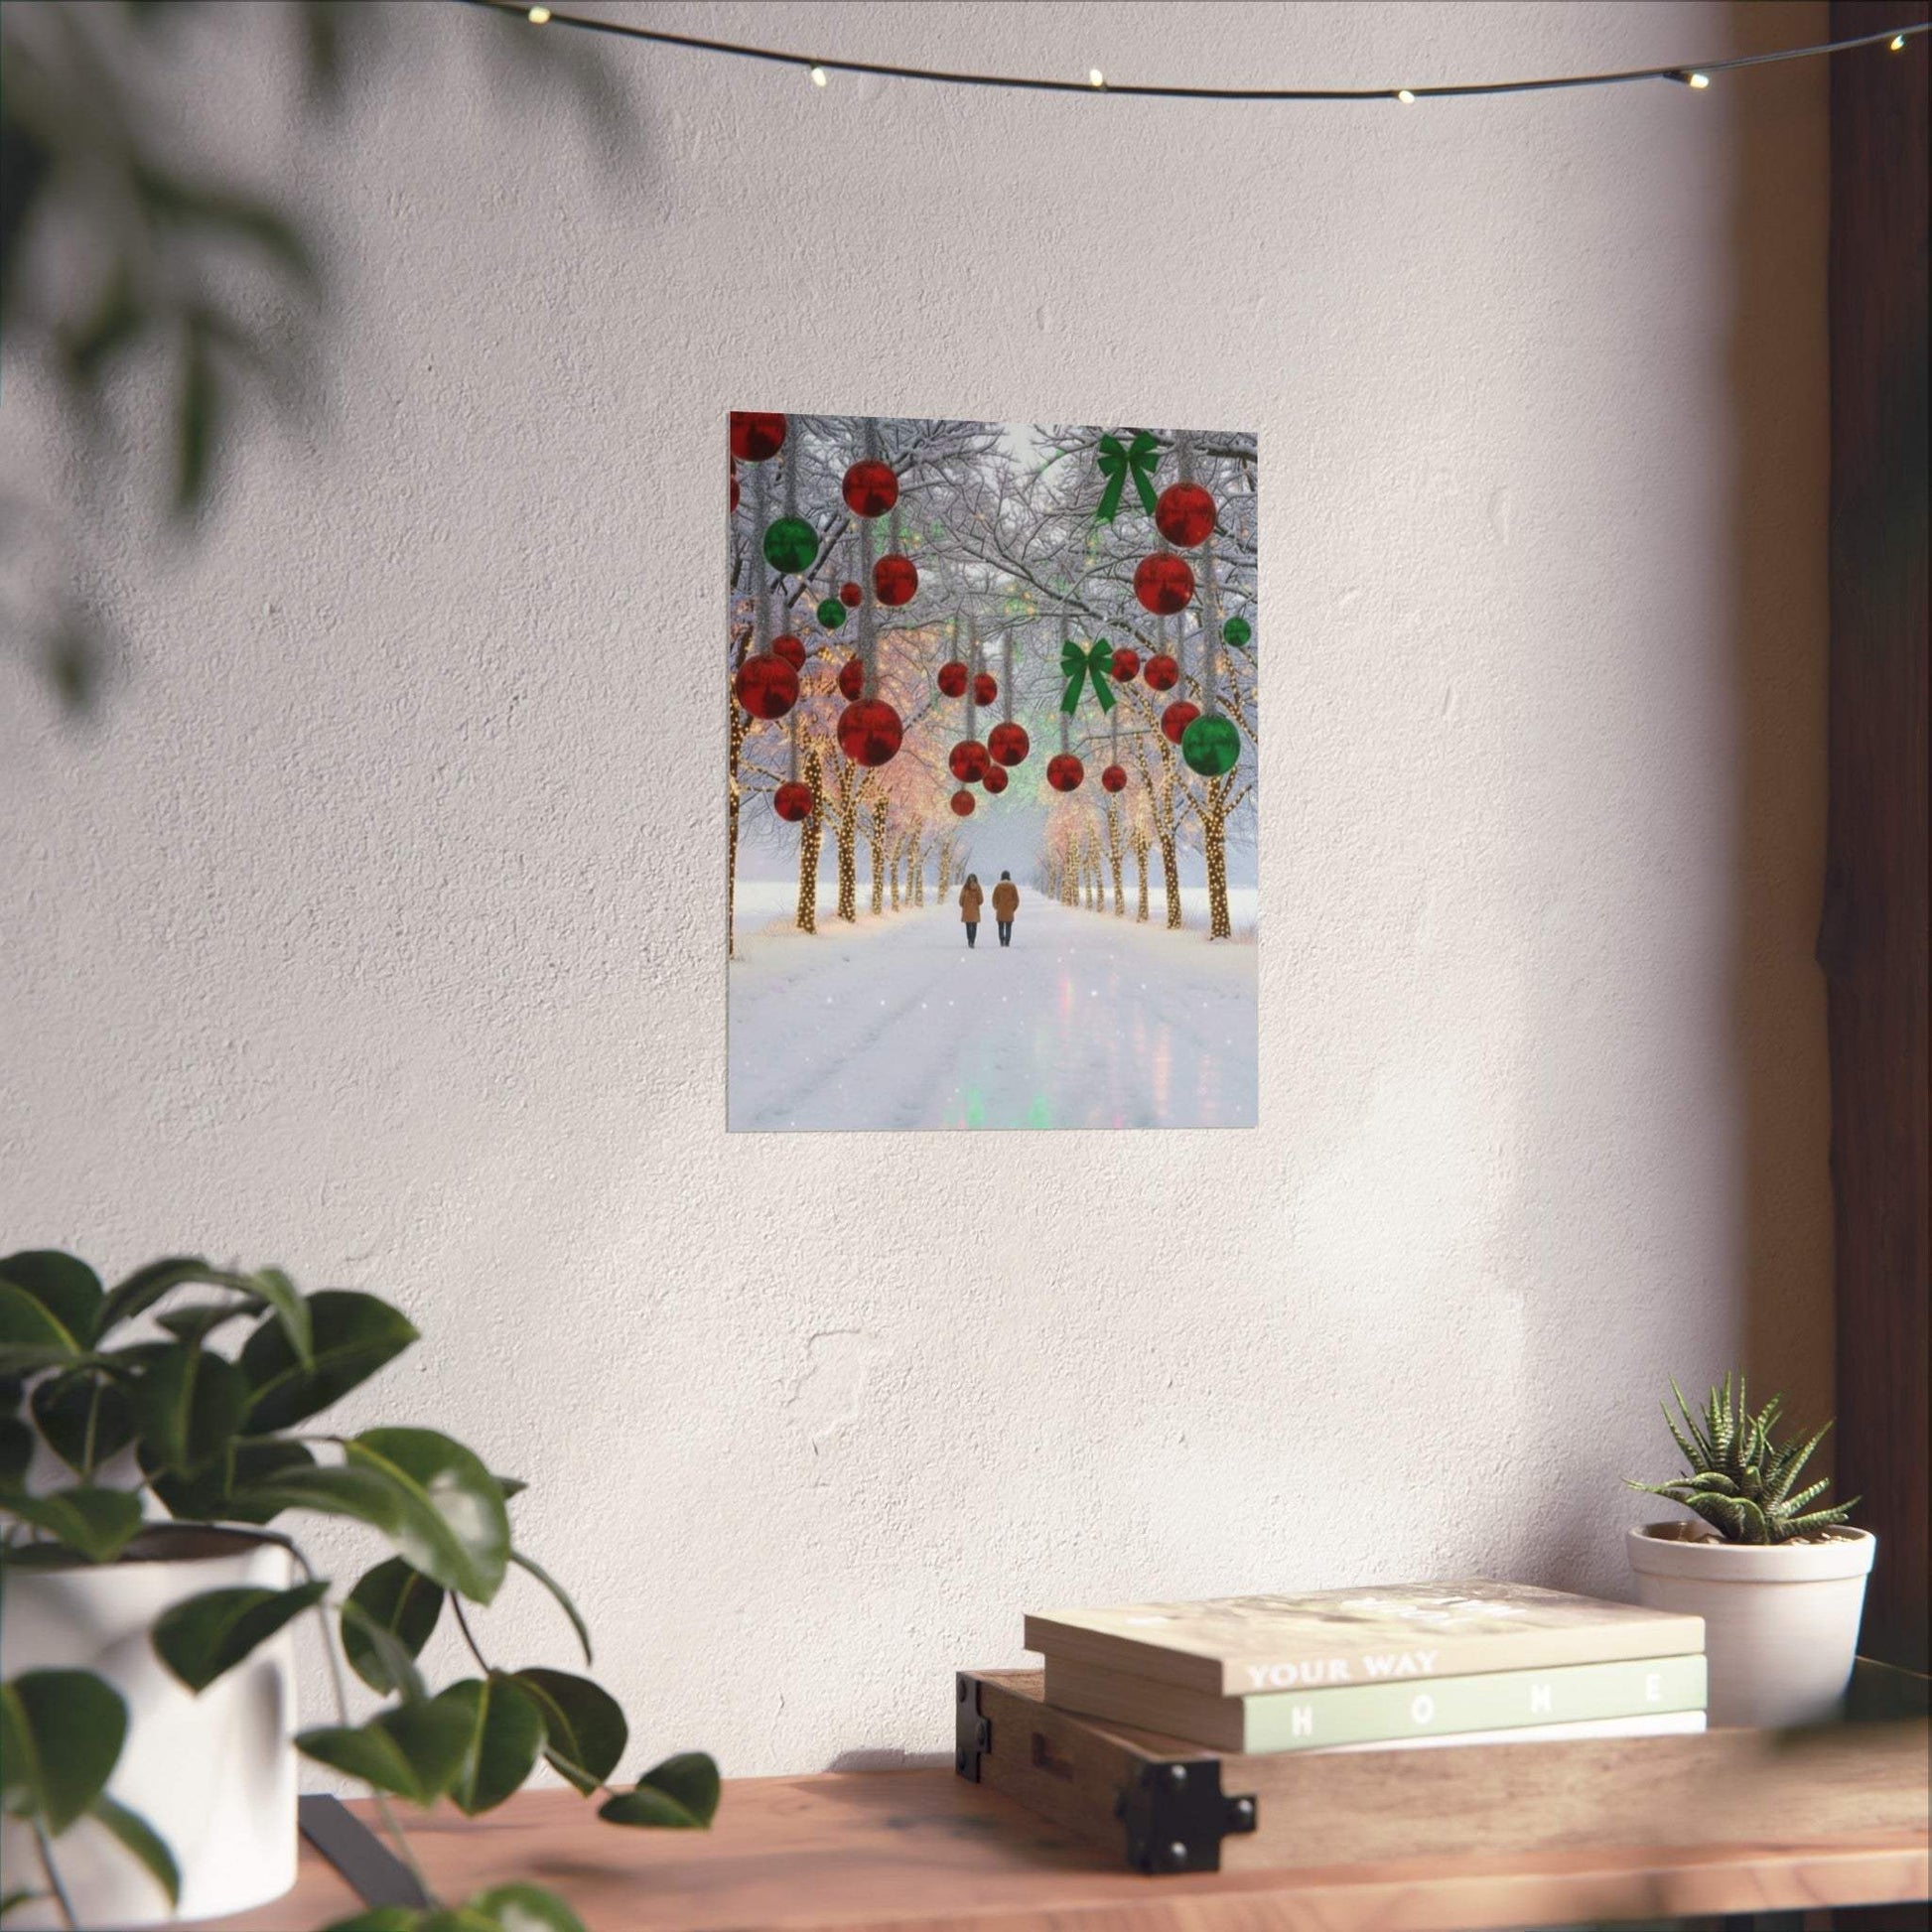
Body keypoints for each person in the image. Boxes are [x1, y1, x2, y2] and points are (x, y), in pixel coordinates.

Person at [992, 870, 1019, 947]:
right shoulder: (1012, 886)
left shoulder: (998, 886)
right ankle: (1007, 941)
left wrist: (996, 906)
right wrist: (1013, 908)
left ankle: (1001, 940)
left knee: (1000, 926)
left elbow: (994, 898)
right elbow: (1016, 899)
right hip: (1009, 910)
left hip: (1000, 909)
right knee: (1008, 926)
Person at [958, 873, 983, 948]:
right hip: (975, 910)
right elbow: (981, 900)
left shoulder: (965, 887)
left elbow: (961, 900)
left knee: (968, 926)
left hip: (967, 911)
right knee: (974, 926)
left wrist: (964, 905)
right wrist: (976, 903)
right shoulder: (978, 887)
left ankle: (969, 940)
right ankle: (973, 941)